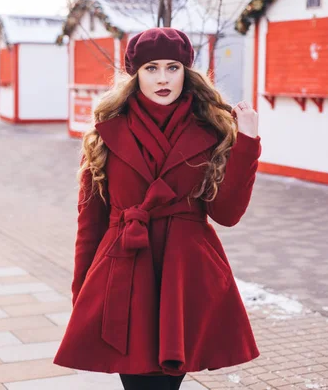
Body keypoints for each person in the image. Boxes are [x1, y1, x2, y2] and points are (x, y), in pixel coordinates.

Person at [53, 27, 261, 390]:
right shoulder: (106, 133)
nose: (163, 78)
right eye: (151, 68)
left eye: (172, 67)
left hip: (185, 277)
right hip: (124, 274)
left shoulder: (211, 129)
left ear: (186, 71)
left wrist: (247, 141)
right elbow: (90, 225)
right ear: (136, 74)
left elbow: (226, 214)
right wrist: (83, 293)